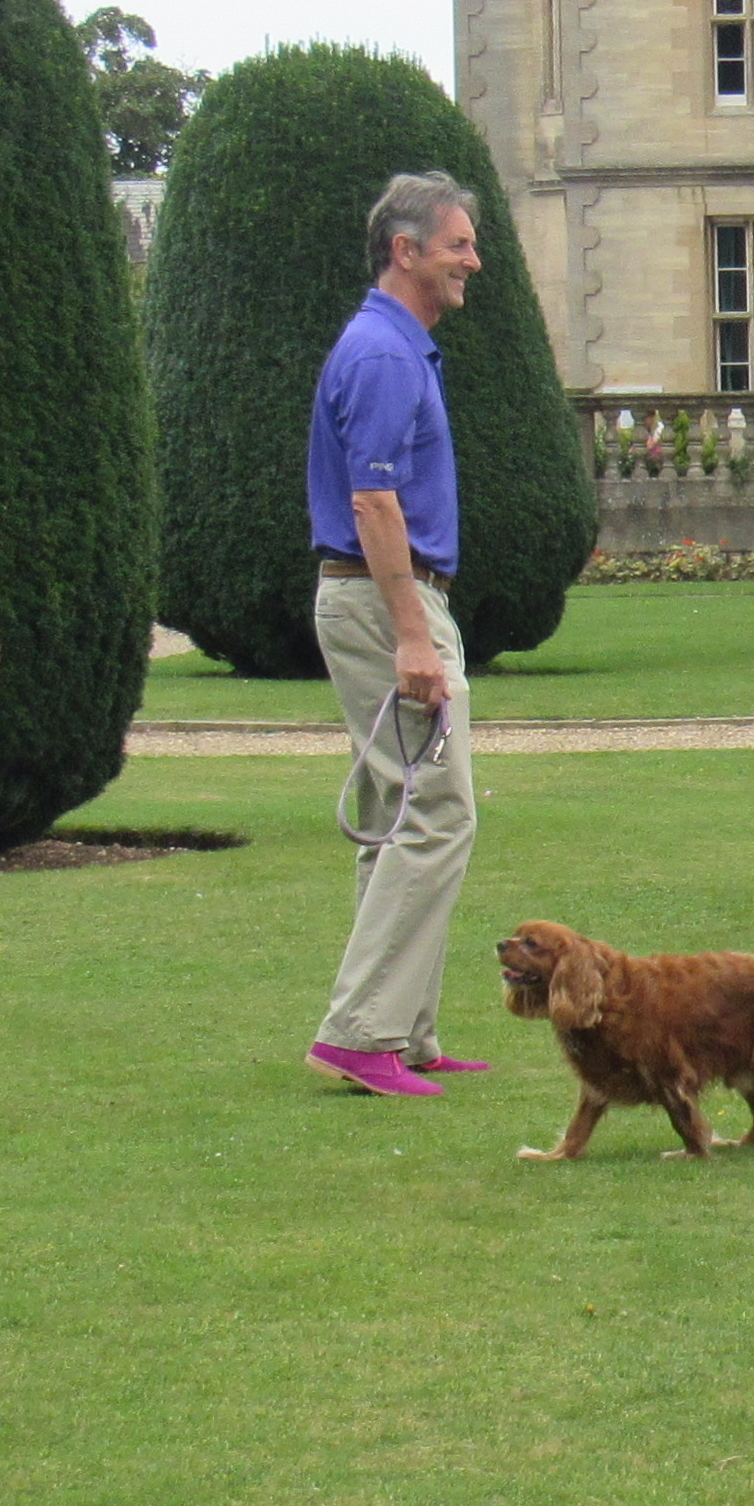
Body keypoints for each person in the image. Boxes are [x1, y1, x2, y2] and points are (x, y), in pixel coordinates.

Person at [306, 173, 490, 1100]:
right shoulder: (382, 354)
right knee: (439, 809)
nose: (474, 261)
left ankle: (403, 1031)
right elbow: (373, 499)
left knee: (394, 816)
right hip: (389, 603)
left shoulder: (397, 347)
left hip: (381, 600)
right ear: (405, 250)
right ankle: (362, 1030)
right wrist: (413, 636)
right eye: (457, 244)